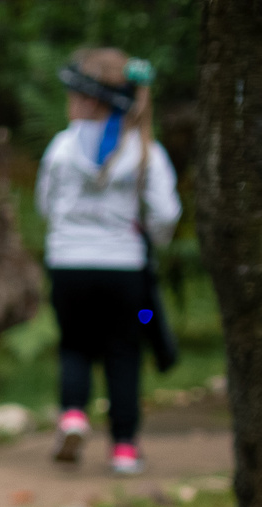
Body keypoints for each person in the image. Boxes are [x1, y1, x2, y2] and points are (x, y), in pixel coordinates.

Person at [36, 48, 179, 475]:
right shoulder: (145, 150)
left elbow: (46, 203)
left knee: (74, 345)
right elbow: (166, 213)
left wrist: (68, 232)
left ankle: (74, 415)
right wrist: (150, 237)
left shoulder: (61, 146)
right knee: (124, 352)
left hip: (67, 266)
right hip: (125, 272)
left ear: (89, 100)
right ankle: (124, 449)